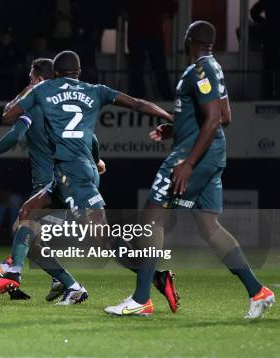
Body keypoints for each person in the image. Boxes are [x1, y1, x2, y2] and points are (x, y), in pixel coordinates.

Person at [105, 21, 276, 318]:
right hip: (208, 153)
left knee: (151, 220)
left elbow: (214, 120)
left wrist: (188, 163)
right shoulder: (214, 67)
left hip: (194, 156)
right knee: (208, 225)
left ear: (189, 39)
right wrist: (176, 128)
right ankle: (258, 291)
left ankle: (142, 298)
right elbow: (225, 116)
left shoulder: (200, 70)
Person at [0, 50, 179, 310]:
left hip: (73, 173)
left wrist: (30, 87)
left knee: (100, 235)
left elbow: (8, 115)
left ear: (55, 73)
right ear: (79, 72)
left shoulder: (44, 89)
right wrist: (170, 117)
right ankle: (15, 273)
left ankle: (154, 276)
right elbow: (137, 103)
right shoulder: (96, 89)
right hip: (71, 172)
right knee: (28, 210)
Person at [0, 58, 106, 304]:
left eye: (31, 78)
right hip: (65, 181)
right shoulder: (60, 106)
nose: (28, 83)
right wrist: (97, 160)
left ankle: (20, 275)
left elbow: (14, 132)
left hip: (50, 184)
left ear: (39, 79)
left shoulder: (36, 105)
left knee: (26, 233)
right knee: (30, 238)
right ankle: (64, 283)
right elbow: (91, 137)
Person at [124, 0, 176, 100]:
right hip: (148, 31)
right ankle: (165, 97)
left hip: (141, 31)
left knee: (141, 67)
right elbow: (171, 8)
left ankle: (140, 97)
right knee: (152, 68)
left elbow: (171, 8)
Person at [250, 0, 280, 99]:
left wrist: (264, 22)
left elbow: (253, 12)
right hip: (272, 37)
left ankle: (267, 94)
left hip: (270, 37)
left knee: (269, 66)